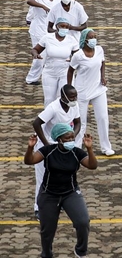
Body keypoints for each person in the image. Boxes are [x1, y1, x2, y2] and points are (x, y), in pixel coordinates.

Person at [24, 123, 96, 258]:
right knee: (47, 229)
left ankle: (81, 251)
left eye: (72, 137)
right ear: (59, 139)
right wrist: (30, 147)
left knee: (83, 221)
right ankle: (46, 256)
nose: (71, 139)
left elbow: (92, 165)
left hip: (70, 193)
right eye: (67, 137)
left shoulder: (76, 152)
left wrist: (89, 148)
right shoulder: (48, 151)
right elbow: (29, 161)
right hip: (49, 194)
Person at [31, 85, 81, 220]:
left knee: (61, 174)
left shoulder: (74, 106)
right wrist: (47, 145)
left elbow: (77, 123)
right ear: (63, 97)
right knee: (42, 178)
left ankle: (61, 202)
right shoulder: (53, 108)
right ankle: (38, 208)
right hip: (47, 144)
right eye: (71, 97)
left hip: (62, 145)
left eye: (75, 96)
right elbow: (36, 123)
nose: (74, 99)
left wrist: (71, 136)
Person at [67, 29, 114, 156]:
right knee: (81, 121)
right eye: (91, 37)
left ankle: (106, 147)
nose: (94, 39)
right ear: (85, 40)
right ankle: (76, 147)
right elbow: (71, 70)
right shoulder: (78, 55)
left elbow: (102, 62)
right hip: (82, 92)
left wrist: (103, 76)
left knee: (103, 118)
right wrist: (69, 87)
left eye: (95, 36)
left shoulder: (99, 50)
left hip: (98, 89)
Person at [31, 16, 79, 106]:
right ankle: (48, 119)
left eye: (66, 27)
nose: (64, 29)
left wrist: (73, 60)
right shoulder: (47, 38)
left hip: (65, 72)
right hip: (49, 72)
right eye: (62, 26)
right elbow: (35, 49)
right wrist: (35, 54)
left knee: (64, 97)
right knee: (49, 99)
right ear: (57, 26)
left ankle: (63, 119)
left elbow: (77, 55)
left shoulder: (71, 40)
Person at [26, 0, 59, 85]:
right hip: (38, 30)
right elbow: (29, 1)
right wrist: (43, 6)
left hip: (50, 29)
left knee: (51, 55)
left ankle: (48, 76)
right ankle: (31, 78)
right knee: (40, 55)